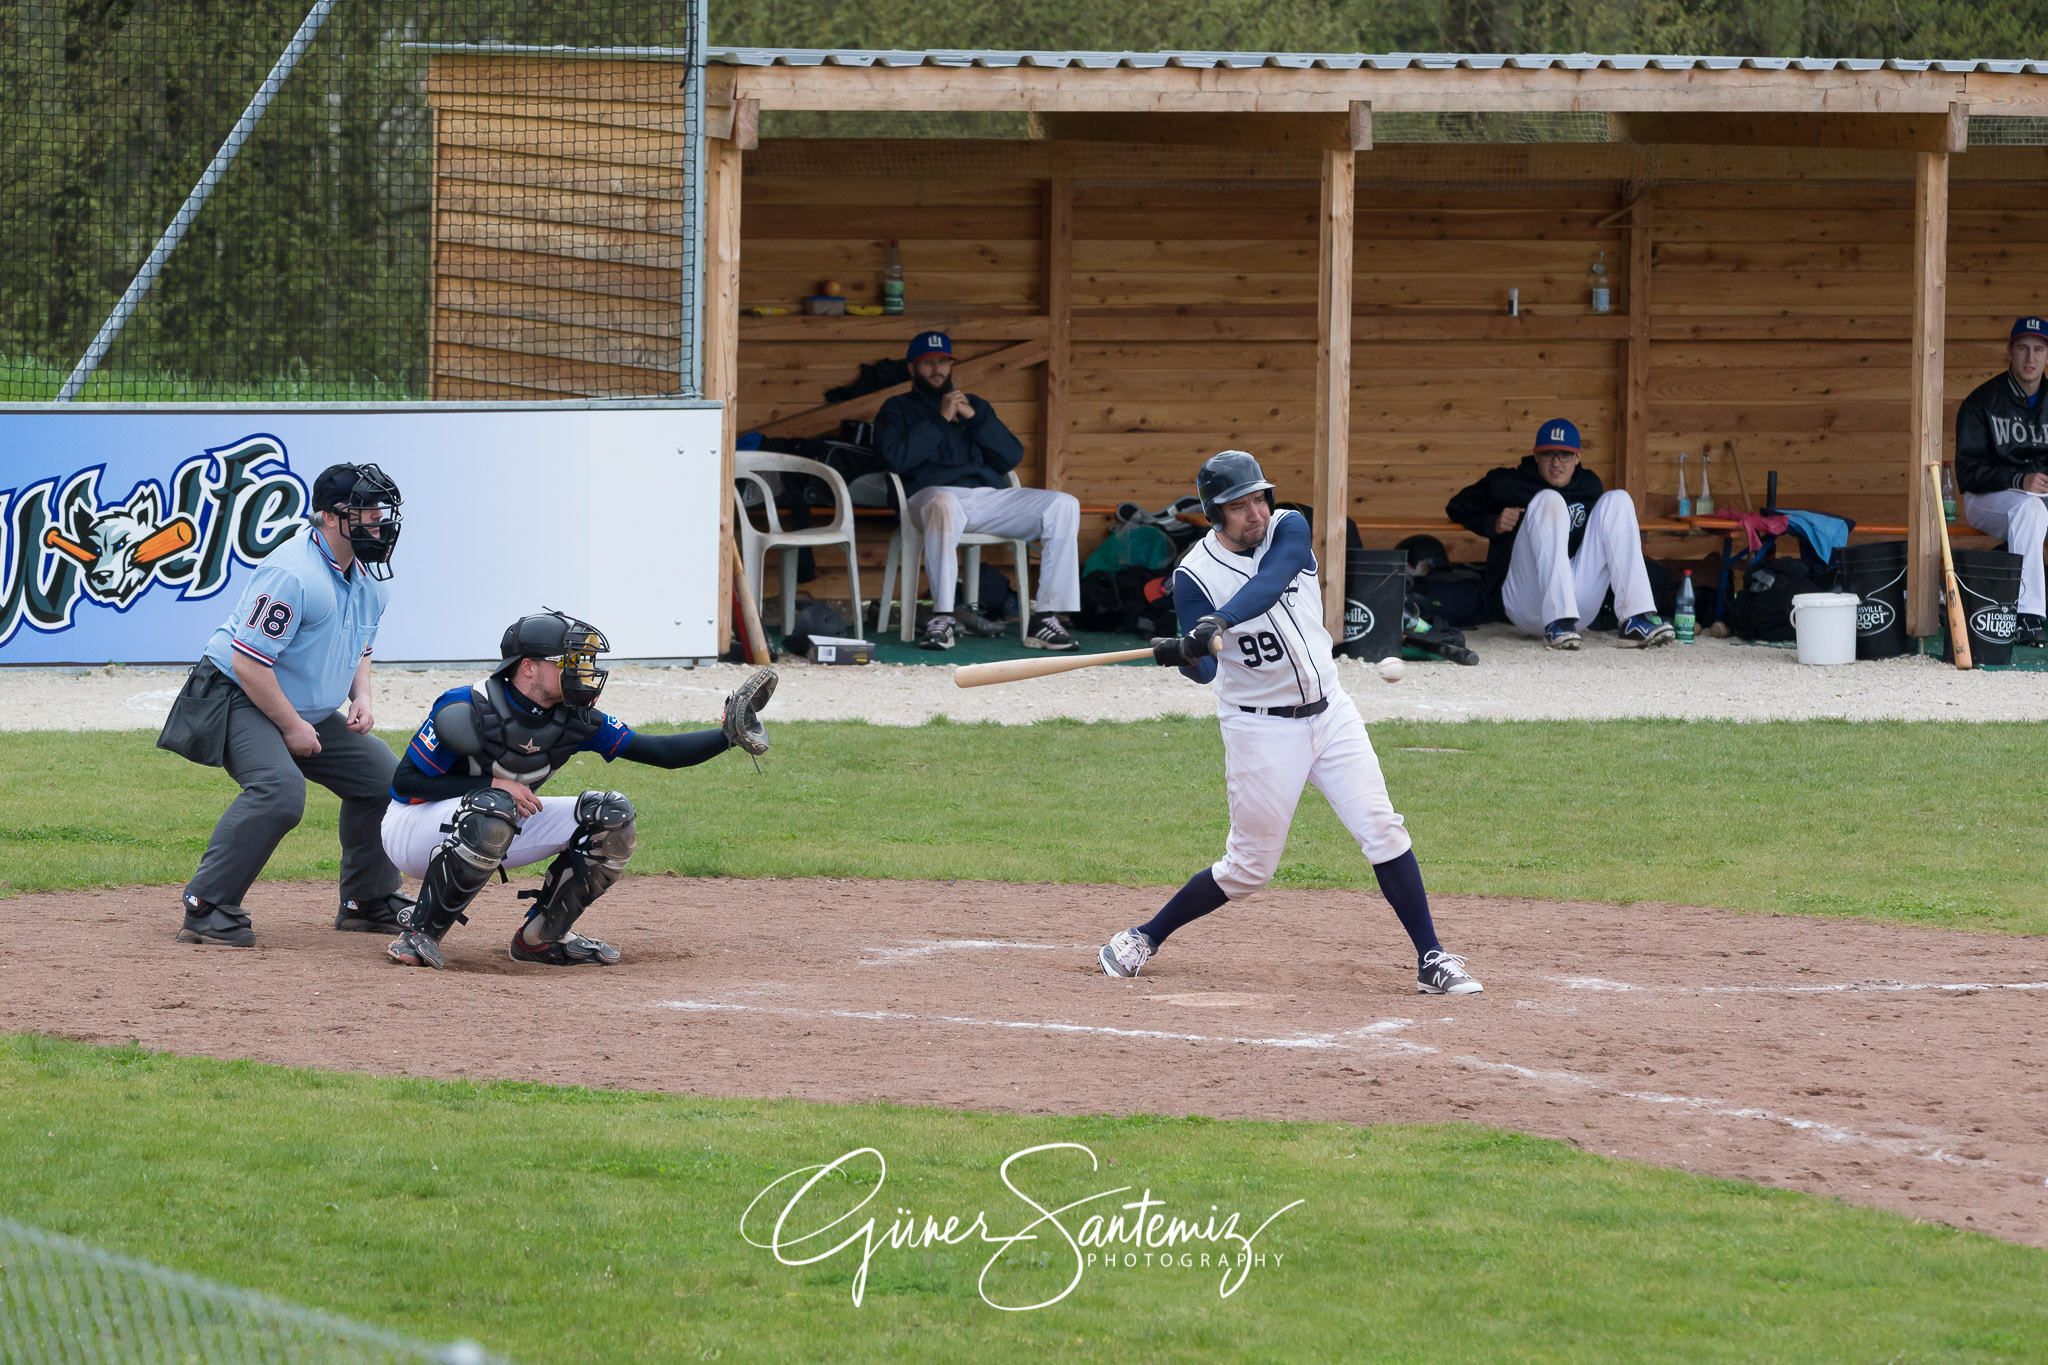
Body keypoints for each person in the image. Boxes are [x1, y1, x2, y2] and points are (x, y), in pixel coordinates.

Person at [1096, 450, 1482, 996]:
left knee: (1382, 827)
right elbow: (1207, 670)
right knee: (1249, 868)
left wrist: (1219, 621)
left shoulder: (1289, 528)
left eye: (1258, 498)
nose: (1255, 512)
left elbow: (1274, 580)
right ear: (1214, 513)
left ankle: (1432, 957)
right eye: (1238, 505)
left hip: (1331, 711)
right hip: (1260, 729)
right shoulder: (1192, 579)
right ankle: (1144, 936)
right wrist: (1182, 654)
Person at [381, 611, 775, 971]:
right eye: (569, 660)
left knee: (611, 817)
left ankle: (541, 938)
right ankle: (419, 935)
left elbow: (662, 753)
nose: (582, 670)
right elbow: (405, 783)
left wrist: (728, 735)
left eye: (584, 660)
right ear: (528, 668)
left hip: (494, 823)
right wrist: (491, 784)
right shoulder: (467, 706)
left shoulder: (577, 719)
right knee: (496, 805)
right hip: (413, 830)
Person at [171, 463, 409, 947]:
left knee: (385, 778)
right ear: (329, 516)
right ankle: (207, 905)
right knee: (278, 791)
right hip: (235, 693)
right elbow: (248, 662)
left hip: (300, 704)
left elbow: (360, 645)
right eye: (365, 510)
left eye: (382, 509)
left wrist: (360, 694)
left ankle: (368, 901)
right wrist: (292, 726)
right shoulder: (293, 573)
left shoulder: (370, 577)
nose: (379, 520)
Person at [874, 330, 1081, 651]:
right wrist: (941, 420)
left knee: (1063, 504)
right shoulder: (896, 408)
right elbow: (897, 459)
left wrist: (974, 418)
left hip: (987, 500)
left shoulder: (976, 407)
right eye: (927, 363)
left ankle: (1045, 617)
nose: (937, 369)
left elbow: (1010, 457)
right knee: (943, 503)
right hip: (929, 498)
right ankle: (942, 617)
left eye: (943, 361)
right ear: (912, 368)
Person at [1445, 418, 1675, 650]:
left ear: (1578, 458)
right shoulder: (1508, 482)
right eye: (1548, 454)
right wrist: (1492, 522)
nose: (1556, 463)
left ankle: (1635, 619)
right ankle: (1557, 620)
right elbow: (1456, 506)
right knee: (1549, 499)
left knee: (1619, 499)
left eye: (1565, 454)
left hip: (1576, 608)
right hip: (1524, 601)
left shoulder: (1589, 486)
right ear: (1536, 456)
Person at [1955, 316, 2048, 646]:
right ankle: (2027, 615)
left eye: (2039, 349)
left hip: (2038, 500)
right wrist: (2019, 479)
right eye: (2022, 348)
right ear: (2009, 352)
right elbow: (1967, 473)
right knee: (2031, 509)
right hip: (1988, 498)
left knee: (2034, 509)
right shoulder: (1982, 401)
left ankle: (2004, 564)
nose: (2030, 358)